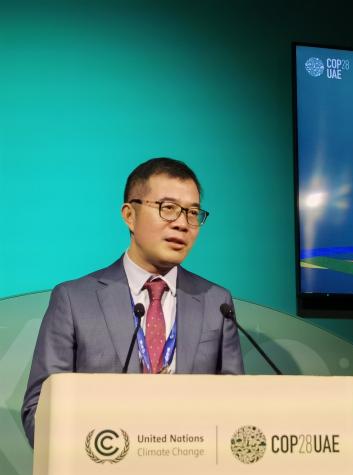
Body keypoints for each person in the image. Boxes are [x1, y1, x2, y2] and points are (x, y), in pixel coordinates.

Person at [21, 157, 244, 447]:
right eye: (168, 208)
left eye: (192, 213)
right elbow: (39, 410)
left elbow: (236, 405)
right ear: (129, 215)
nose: (182, 224)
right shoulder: (74, 299)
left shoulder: (217, 302)